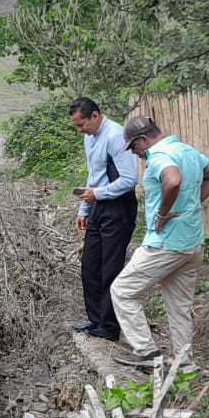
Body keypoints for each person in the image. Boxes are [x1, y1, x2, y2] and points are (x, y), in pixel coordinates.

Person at [110, 115, 209, 368]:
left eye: (134, 147)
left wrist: (163, 214)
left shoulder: (159, 155)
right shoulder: (188, 151)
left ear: (143, 139)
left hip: (166, 244)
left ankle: (146, 352)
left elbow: (173, 180)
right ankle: (184, 362)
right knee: (179, 306)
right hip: (192, 243)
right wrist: (192, 203)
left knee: (122, 291)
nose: (135, 153)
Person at [68, 98, 138, 341]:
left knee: (110, 267)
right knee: (90, 264)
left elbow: (129, 179)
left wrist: (97, 194)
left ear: (95, 116)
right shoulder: (90, 137)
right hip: (97, 204)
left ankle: (109, 327)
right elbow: (94, 174)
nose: (79, 130)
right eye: (76, 126)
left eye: (81, 124)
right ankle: (96, 320)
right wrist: (84, 209)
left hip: (118, 207)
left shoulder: (115, 136)